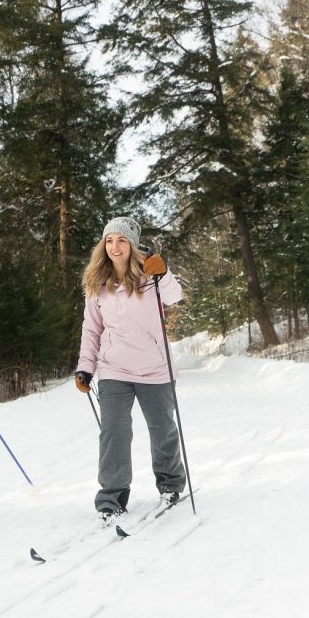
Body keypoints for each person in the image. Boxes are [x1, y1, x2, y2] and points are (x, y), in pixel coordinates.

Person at [75, 216, 186, 518]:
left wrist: (164, 272)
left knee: (162, 430)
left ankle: (171, 484)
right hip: (113, 369)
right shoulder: (98, 285)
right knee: (114, 432)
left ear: (133, 244)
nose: (115, 246)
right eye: (109, 240)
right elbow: (91, 329)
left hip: (154, 368)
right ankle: (112, 497)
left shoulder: (152, 276)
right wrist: (86, 366)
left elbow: (176, 296)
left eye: (121, 240)